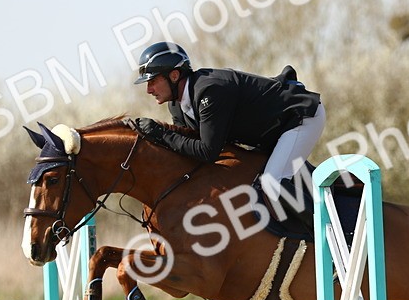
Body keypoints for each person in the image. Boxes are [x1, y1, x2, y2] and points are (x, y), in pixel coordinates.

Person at [132, 41, 326, 222]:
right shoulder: (176, 106)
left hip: (299, 118)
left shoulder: (210, 91)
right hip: (273, 133)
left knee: (271, 183)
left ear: (174, 75)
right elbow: (187, 148)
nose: (148, 89)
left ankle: (325, 235)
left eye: (152, 81)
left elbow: (207, 151)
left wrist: (161, 134)